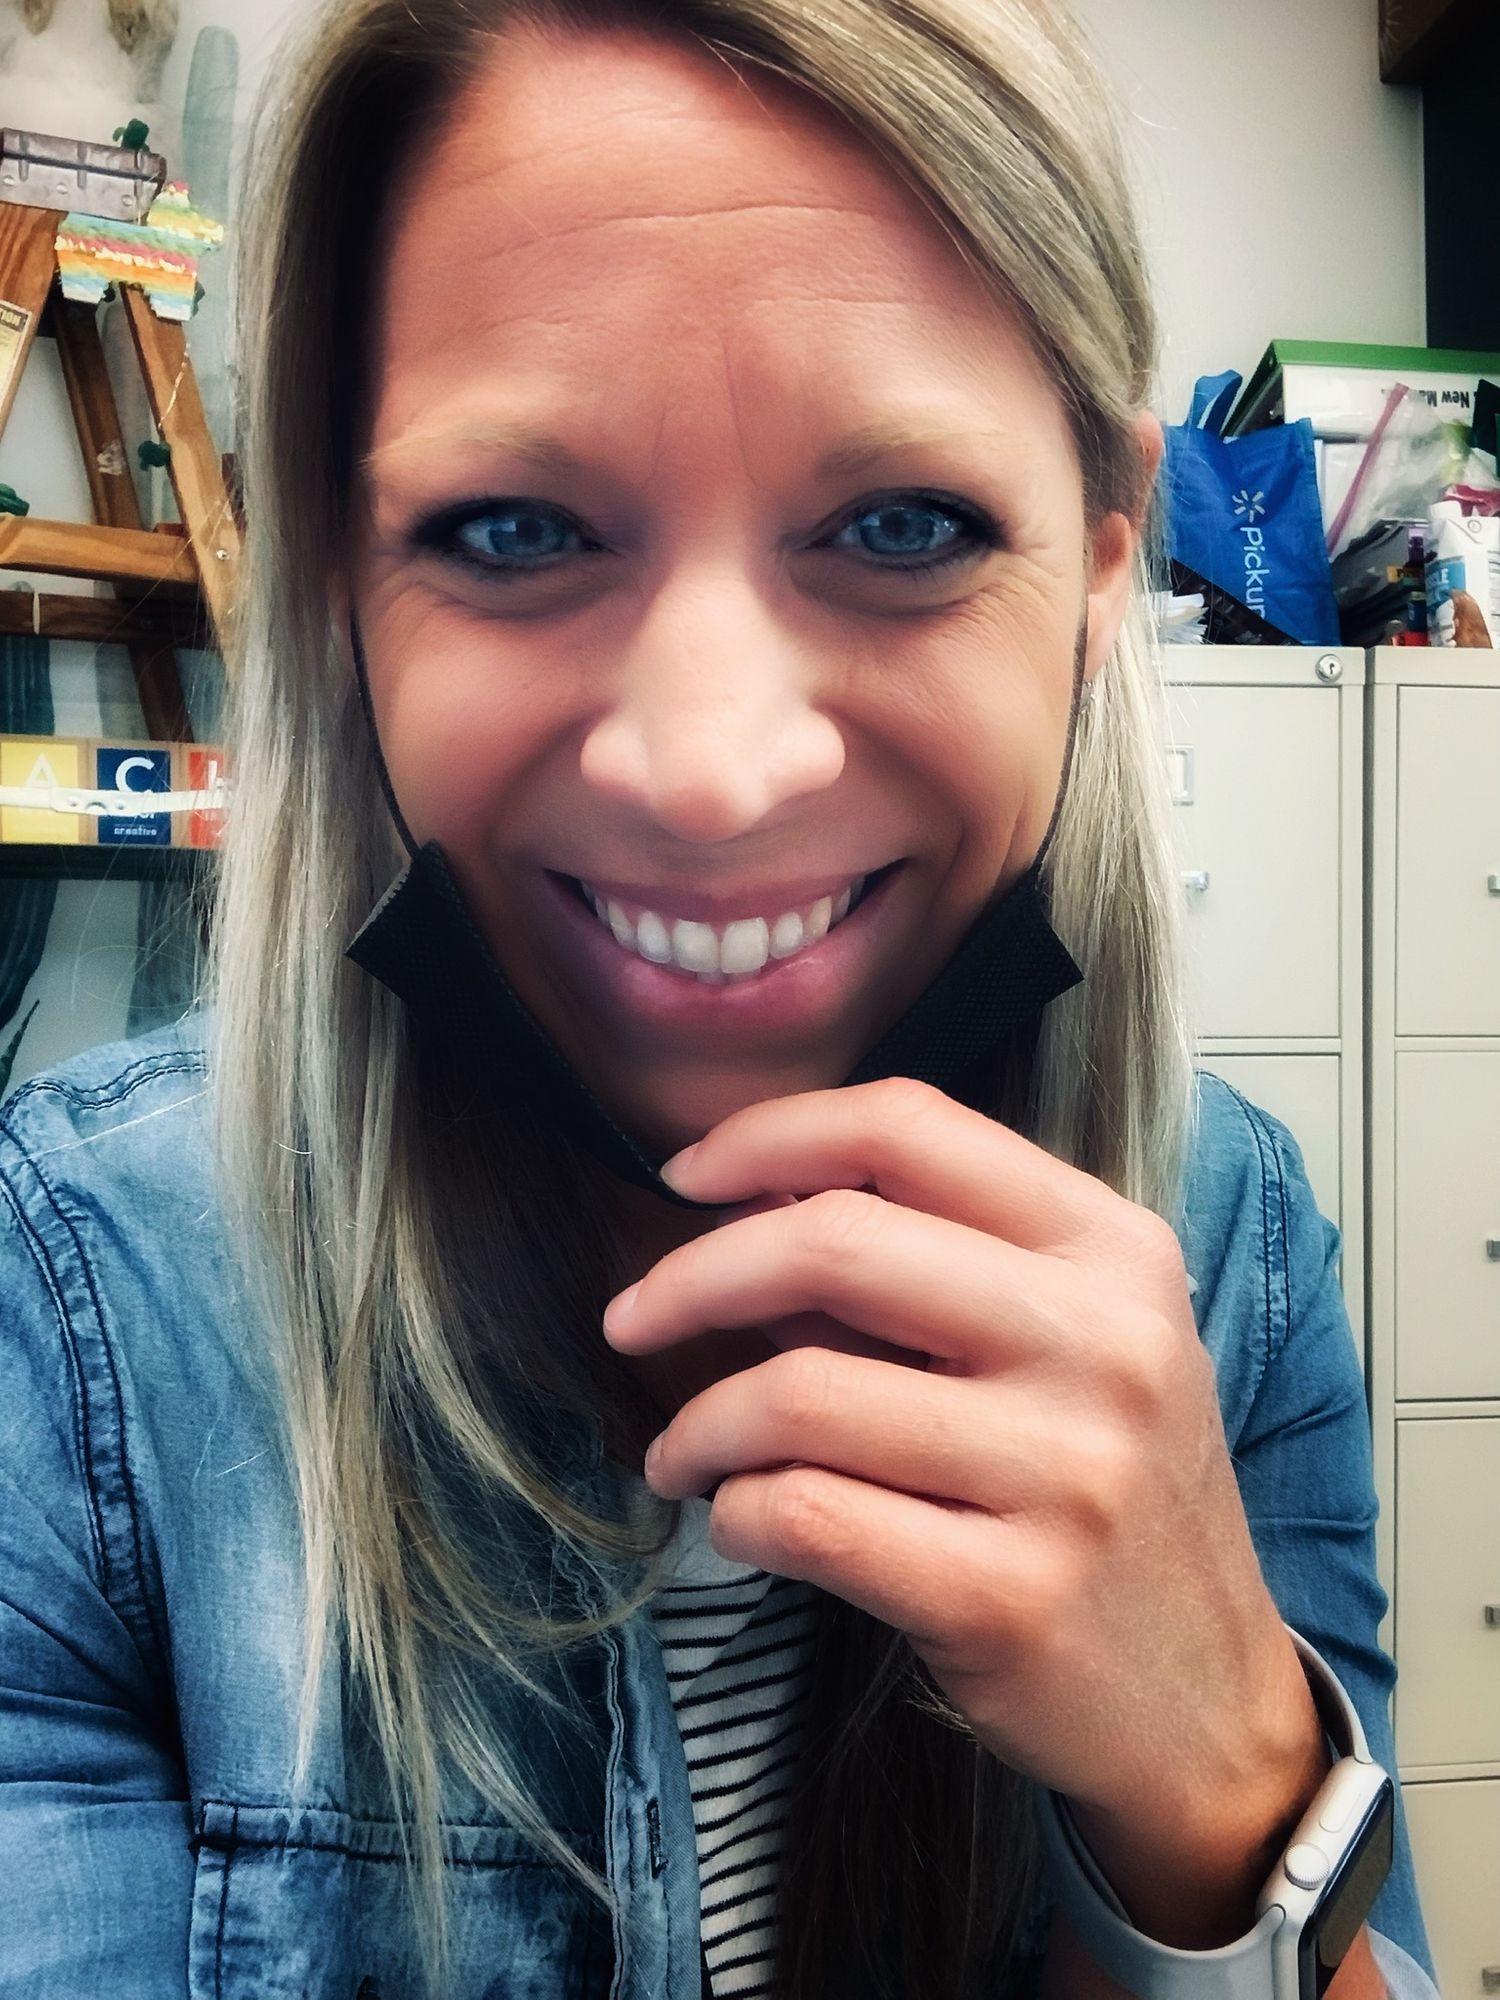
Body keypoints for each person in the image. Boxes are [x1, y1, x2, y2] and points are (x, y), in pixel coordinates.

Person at [0, 2, 1440, 1996]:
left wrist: (1220, 1781)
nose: (710, 774)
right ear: (343, 576)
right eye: (513, 530)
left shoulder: (1226, 1239)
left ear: (1108, 559)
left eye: (904, 526)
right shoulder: (69, 1310)